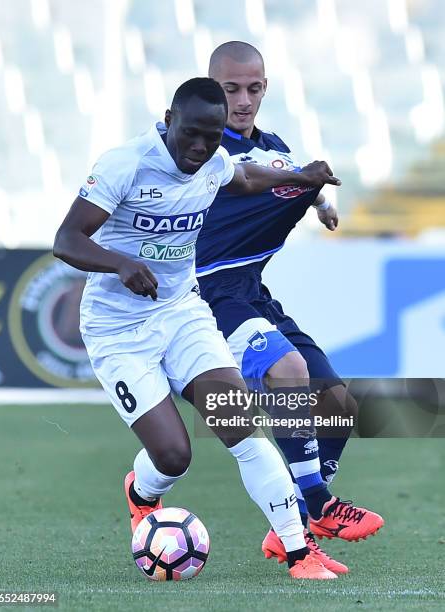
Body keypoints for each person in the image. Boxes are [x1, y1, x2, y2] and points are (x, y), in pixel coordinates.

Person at [53, 77, 347, 580]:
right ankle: (141, 493)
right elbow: (66, 239)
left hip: (181, 315)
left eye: (210, 138)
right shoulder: (125, 164)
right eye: (190, 133)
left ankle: (301, 554)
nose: (199, 147)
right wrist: (120, 264)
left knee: (241, 427)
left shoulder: (211, 162)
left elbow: (247, 177)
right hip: (118, 329)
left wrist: (302, 177)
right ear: (169, 118)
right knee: (173, 456)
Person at [196, 42, 384, 574]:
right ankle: (321, 507)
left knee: (339, 404)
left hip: (252, 290)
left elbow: (287, 169)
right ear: (212, 90)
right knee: (289, 370)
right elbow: (253, 176)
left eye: (254, 88)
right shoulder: (200, 149)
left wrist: (319, 197)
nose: (244, 99)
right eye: (231, 89)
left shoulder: (273, 146)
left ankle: (295, 524)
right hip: (208, 295)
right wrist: (304, 179)